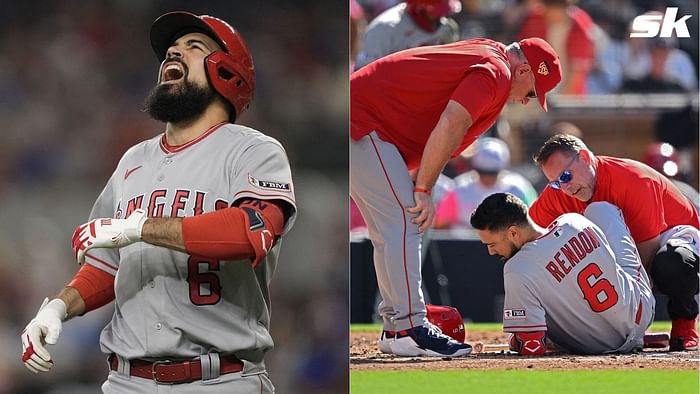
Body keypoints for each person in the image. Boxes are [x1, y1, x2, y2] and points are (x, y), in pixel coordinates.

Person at [20, 11, 296, 392]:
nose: (173, 52)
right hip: (125, 380)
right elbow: (107, 263)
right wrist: (58, 308)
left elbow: (251, 231)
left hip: (220, 379)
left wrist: (138, 228)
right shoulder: (132, 161)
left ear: (228, 72)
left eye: (193, 46)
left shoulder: (253, 150)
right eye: (170, 49)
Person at [351, 36, 562, 356]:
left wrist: (422, 183)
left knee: (391, 229)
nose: (527, 100)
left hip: (369, 125)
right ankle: (409, 327)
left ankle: (398, 326)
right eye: (533, 91)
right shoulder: (497, 70)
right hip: (366, 124)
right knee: (405, 222)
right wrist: (423, 188)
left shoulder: (491, 55)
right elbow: (452, 120)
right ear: (524, 71)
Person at [529, 134, 699, 351]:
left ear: (585, 158)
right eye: (554, 183)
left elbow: (647, 253)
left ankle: (684, 326)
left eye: (565, 177)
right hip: (622, 248)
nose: (565, 188)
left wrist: (631, 321)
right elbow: (530, 235)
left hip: (670, 236)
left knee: (673, 261)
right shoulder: (560, 193)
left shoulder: (633, 179)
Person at [471, 193, 655, 355]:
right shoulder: (575, 221)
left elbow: (531, 346)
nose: (491, 252)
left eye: (491, 244)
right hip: (641, 312)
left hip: (596, 346)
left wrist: (513, 340)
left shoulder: (517, 268)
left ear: (513, 233)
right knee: (601, 209)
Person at [435, 137, 537, 229]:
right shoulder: (459, 189)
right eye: (483, 172)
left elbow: (535, 221)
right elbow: (440, 224)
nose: (487, 179)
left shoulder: (520, 188)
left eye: (493, 173)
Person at [354, 0, 461, 70]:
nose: (441, 18)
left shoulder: (447, 28)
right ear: (418, 9)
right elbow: (362, 72)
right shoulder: (383, 29)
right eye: (436, 14)